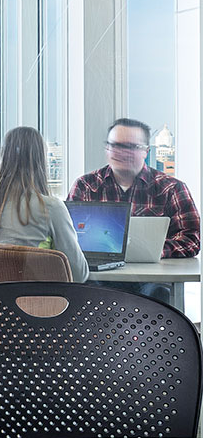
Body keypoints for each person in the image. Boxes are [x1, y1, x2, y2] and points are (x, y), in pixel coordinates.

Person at [68, 118, 200, 303]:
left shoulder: (172, 189)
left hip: (152, 280)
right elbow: (69, 238)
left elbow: (191, 239)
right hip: (99, 279)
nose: (122, 152)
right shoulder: (86, 186)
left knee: (160, 296)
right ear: (107, 149)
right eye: (115, 145)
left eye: (131, 146)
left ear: (146, 151)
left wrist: (155, 252)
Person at [0, 126, 89, 282]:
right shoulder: (49, 207)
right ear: (40, 161)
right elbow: (78, 274)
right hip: (33, 303)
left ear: (3, 158)